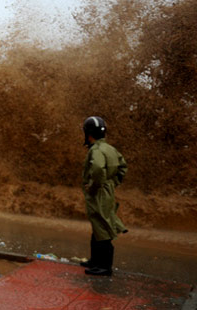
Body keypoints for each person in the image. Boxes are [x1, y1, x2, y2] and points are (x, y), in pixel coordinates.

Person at [81, 116, 128, 277]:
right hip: (106, 189)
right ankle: (95, 261)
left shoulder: (96, 150)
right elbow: (123, 167)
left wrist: (93, 187)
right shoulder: (110, 148)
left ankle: (104, 266)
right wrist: (113, 183)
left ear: (88, 133)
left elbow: (98, 169)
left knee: (102, 226)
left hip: (99, 191)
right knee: (99, 224)